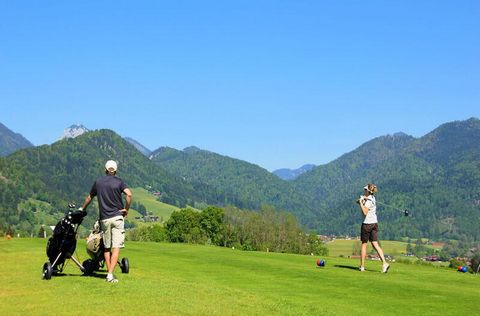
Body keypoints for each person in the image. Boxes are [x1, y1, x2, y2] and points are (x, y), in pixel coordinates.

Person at [80, 160, 132, 283]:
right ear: (116, 170)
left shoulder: (98, 182)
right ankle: (110, 274)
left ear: (105, 169)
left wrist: (82, 209)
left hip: (105, 218)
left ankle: (109, 274)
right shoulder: (119, 182)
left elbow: (89, 197)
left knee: (106, 248)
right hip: (118, 217)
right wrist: (126, 209)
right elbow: (129, 195)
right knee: (116, 247)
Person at [356, 183, 390, 273]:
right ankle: (384, 263)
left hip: (367, 224)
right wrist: (362, 199)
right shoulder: (372, 198)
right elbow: (362, 203)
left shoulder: (368, 201)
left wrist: (361, 202)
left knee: (364, 244)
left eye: (365, 190)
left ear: (368, 191)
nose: (364, 191)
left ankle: (362, 266)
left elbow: (364, 212)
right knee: (375, 244)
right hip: (374, 223)